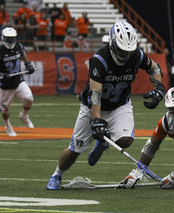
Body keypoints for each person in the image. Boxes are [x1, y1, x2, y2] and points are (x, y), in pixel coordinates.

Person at [46, 21, 166, 190]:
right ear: (112, 43)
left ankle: (102, 144)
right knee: (76, 149)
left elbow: (155, 69)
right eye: (122, 50)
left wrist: (159, 89)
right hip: (93, 106)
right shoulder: (100, 60)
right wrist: (96, 120)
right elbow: (95, 95)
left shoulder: (136, 55)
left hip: (119, 105)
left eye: (128, 51)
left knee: (126, 140)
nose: (125, 55)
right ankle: (57, 175)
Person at [0, 27, 36, 137]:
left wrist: (28, 65)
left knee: (29, 98)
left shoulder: (18, 46)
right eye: (8, 39)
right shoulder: (0, 50)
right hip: (5, 85)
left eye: (12, 38)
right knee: (5, 110)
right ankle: (8, 126)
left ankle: (24, 116)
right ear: (4, 38)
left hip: (18, 80)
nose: (11, 41)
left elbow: (23, 54)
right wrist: (1, 75)